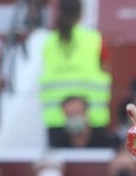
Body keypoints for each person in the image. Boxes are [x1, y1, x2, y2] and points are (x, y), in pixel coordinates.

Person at [39, 0, 111, 144]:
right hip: (93, 118)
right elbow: (106, 68)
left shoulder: (48, 41)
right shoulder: (94, 39)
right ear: (81, 14)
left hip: (56, 117)